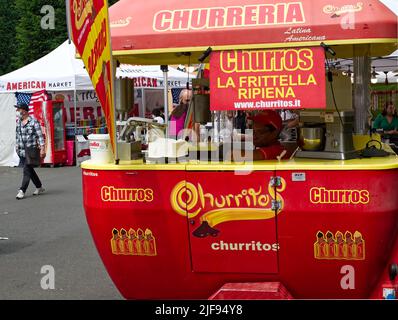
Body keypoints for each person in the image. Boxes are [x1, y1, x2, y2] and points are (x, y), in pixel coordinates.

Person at [15, 102, 46, 200]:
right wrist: (16, 147)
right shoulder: (19, 121)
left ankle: (22, 190)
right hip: (21, 151)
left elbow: (40, 136)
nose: (17, 111)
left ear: (24, 110)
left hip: (31, 150)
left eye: (19, 109)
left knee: (26, 170)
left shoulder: (33, 122)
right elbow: (17, 135)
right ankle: (39, 186)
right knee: (30, 170)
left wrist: (42, 149)